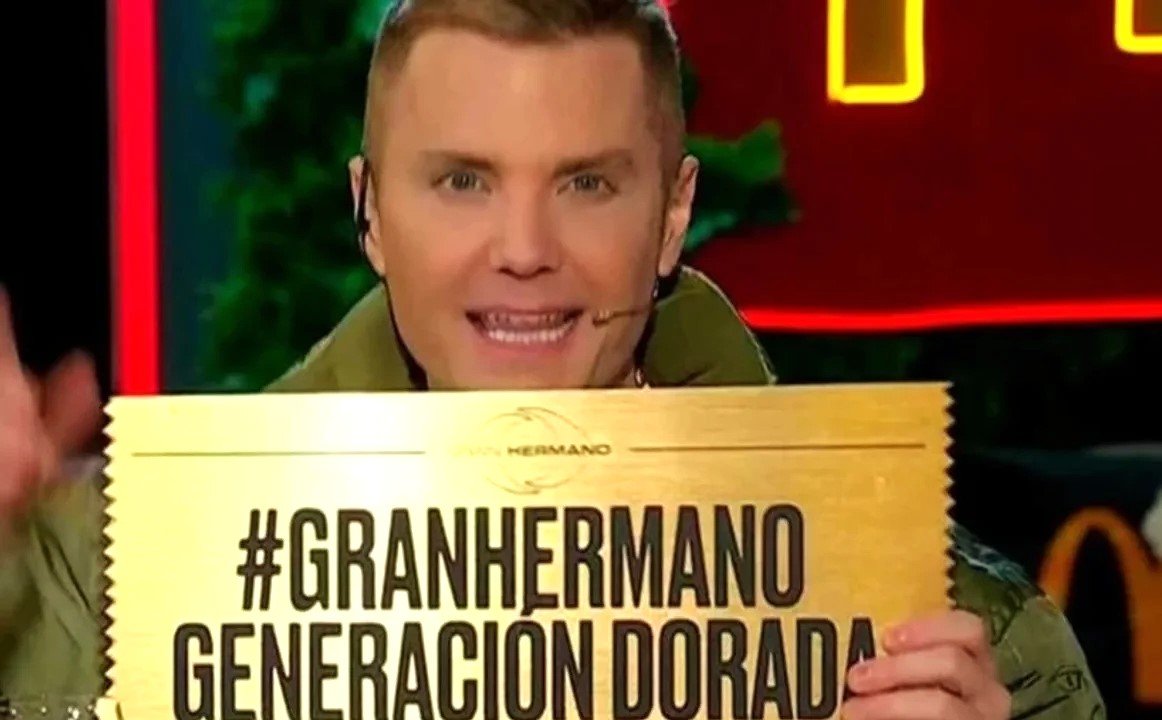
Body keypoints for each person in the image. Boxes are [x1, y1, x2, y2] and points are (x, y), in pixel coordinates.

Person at [0, 0, 1105, 716]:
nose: (524, 250)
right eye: (462, 181)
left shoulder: (944, 627)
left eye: (586, 183)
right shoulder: (100, 587)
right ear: (369, 212)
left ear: (671, 216)